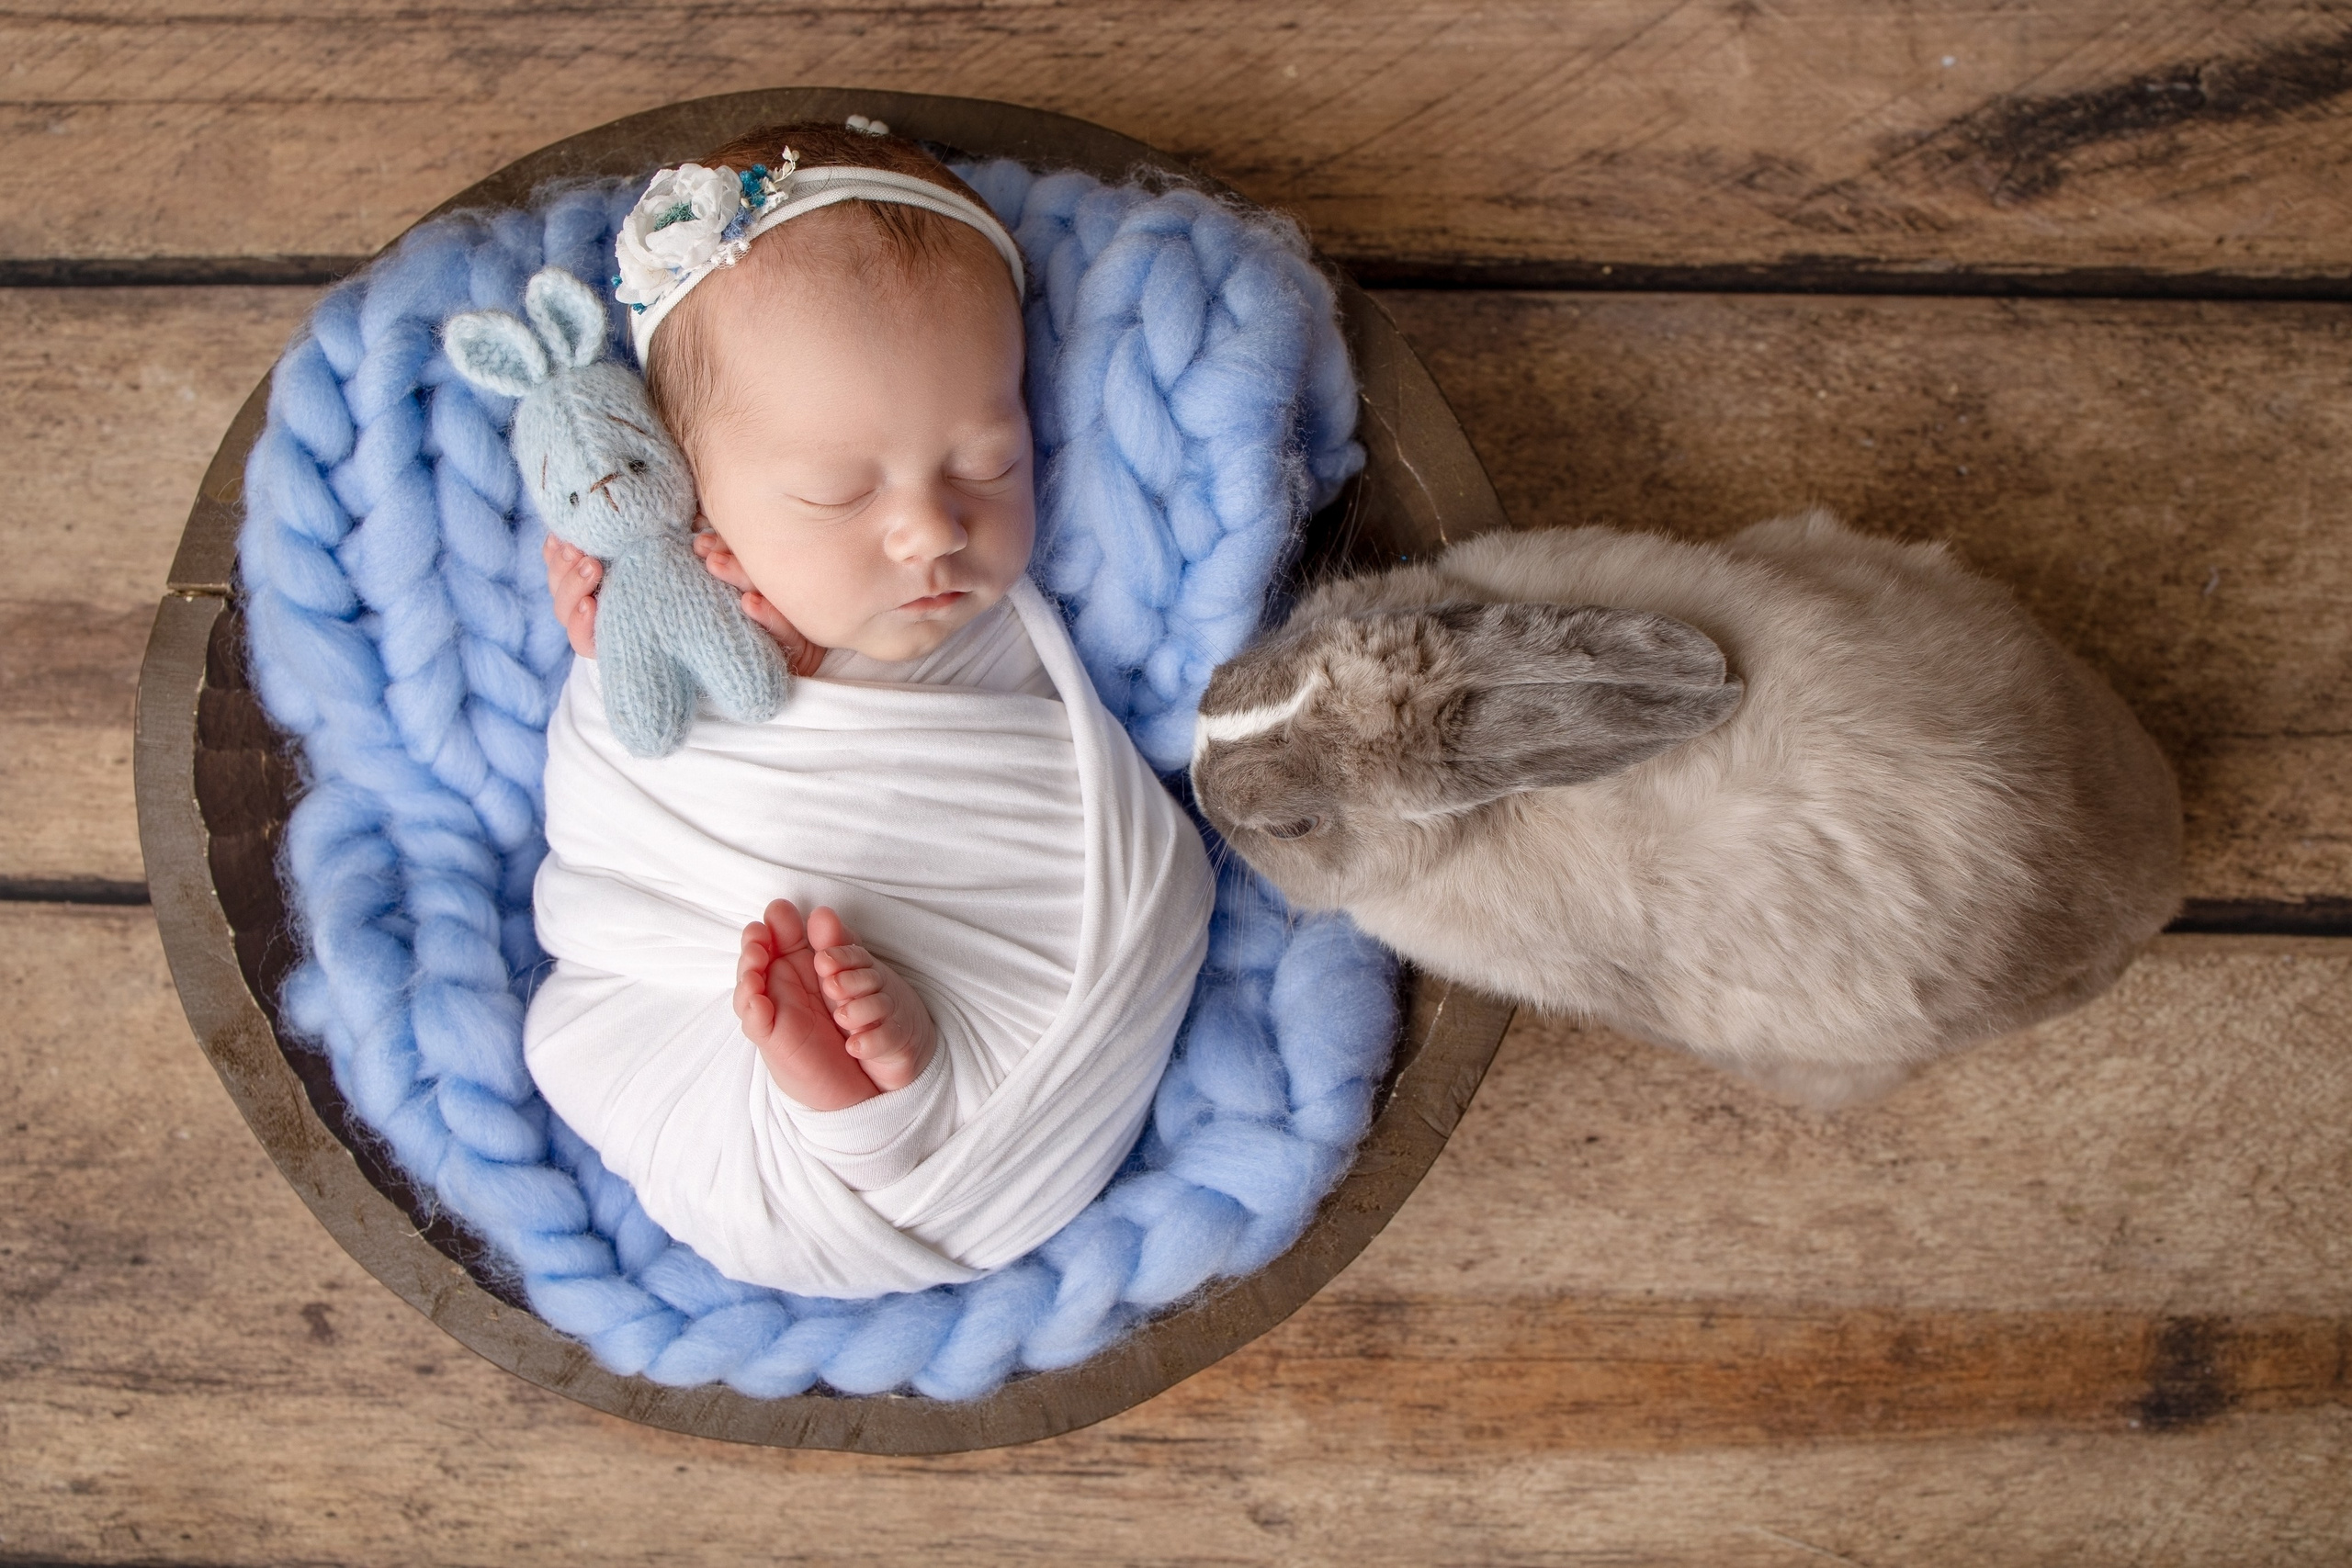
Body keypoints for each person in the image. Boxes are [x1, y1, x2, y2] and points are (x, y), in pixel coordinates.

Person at [522, 121, 1215, 1298]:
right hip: (693, 992)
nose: (933, 530)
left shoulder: (1007, 627)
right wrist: (626, 654)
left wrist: (793, 658)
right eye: (838, 491)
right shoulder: (685, 587)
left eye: (990, 464)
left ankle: (874, 1105)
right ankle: (861, 1100)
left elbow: (1057, 794)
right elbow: (626, 797)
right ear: (694, 494)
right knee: (579, 1040)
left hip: (1029, 1019)